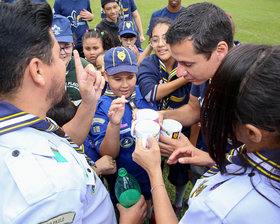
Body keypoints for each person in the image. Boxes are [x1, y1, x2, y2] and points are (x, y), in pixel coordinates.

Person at [0, 1, 147, 223]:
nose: (64, 63)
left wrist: (88, 102)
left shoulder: (21, 120)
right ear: (38, 70)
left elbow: (59, 140)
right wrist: (129, 221)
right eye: (58, 54)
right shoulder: (49, 192)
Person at [133, 43, 280, 223]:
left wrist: (155, 172)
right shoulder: (263, 147)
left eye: (216, 110)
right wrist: (209, 157)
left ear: (252, 133)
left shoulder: (222, 207)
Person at [156, 2, 233, 183]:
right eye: (177, 62)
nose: (180, 73)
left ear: (220, 51)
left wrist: (209, 158)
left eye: (188, 64)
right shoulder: (205, 73)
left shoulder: (252, 84)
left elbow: (266, 158)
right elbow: (194, 109)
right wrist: (162, 115)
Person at [88, 47, 157, 206]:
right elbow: (107, 154)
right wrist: (114, 123)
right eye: (117, 79)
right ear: (105, 75)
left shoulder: (144, 95)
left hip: (150, 173)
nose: (125, 85)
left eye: (130, 77)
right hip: (124, 178)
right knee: (130, 208)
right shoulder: (101, 107)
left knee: (148, 202)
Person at [137, 17, 191, 216]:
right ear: (150, 43)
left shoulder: (185, 61)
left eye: (166, 38)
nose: (160, 44)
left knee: (180, 170)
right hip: (152, 130)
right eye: (155, 39)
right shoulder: (149, 63)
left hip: (181, 129)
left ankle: (177, 202)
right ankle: (151, 208)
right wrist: (185, 77)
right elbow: (151, 93)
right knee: (151, 169)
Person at [51, 14, 94, 106]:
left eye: (66, 46)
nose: (62, 53)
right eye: (57, 47)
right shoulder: (41, 70)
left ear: (73, 44)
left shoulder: (84, 67)